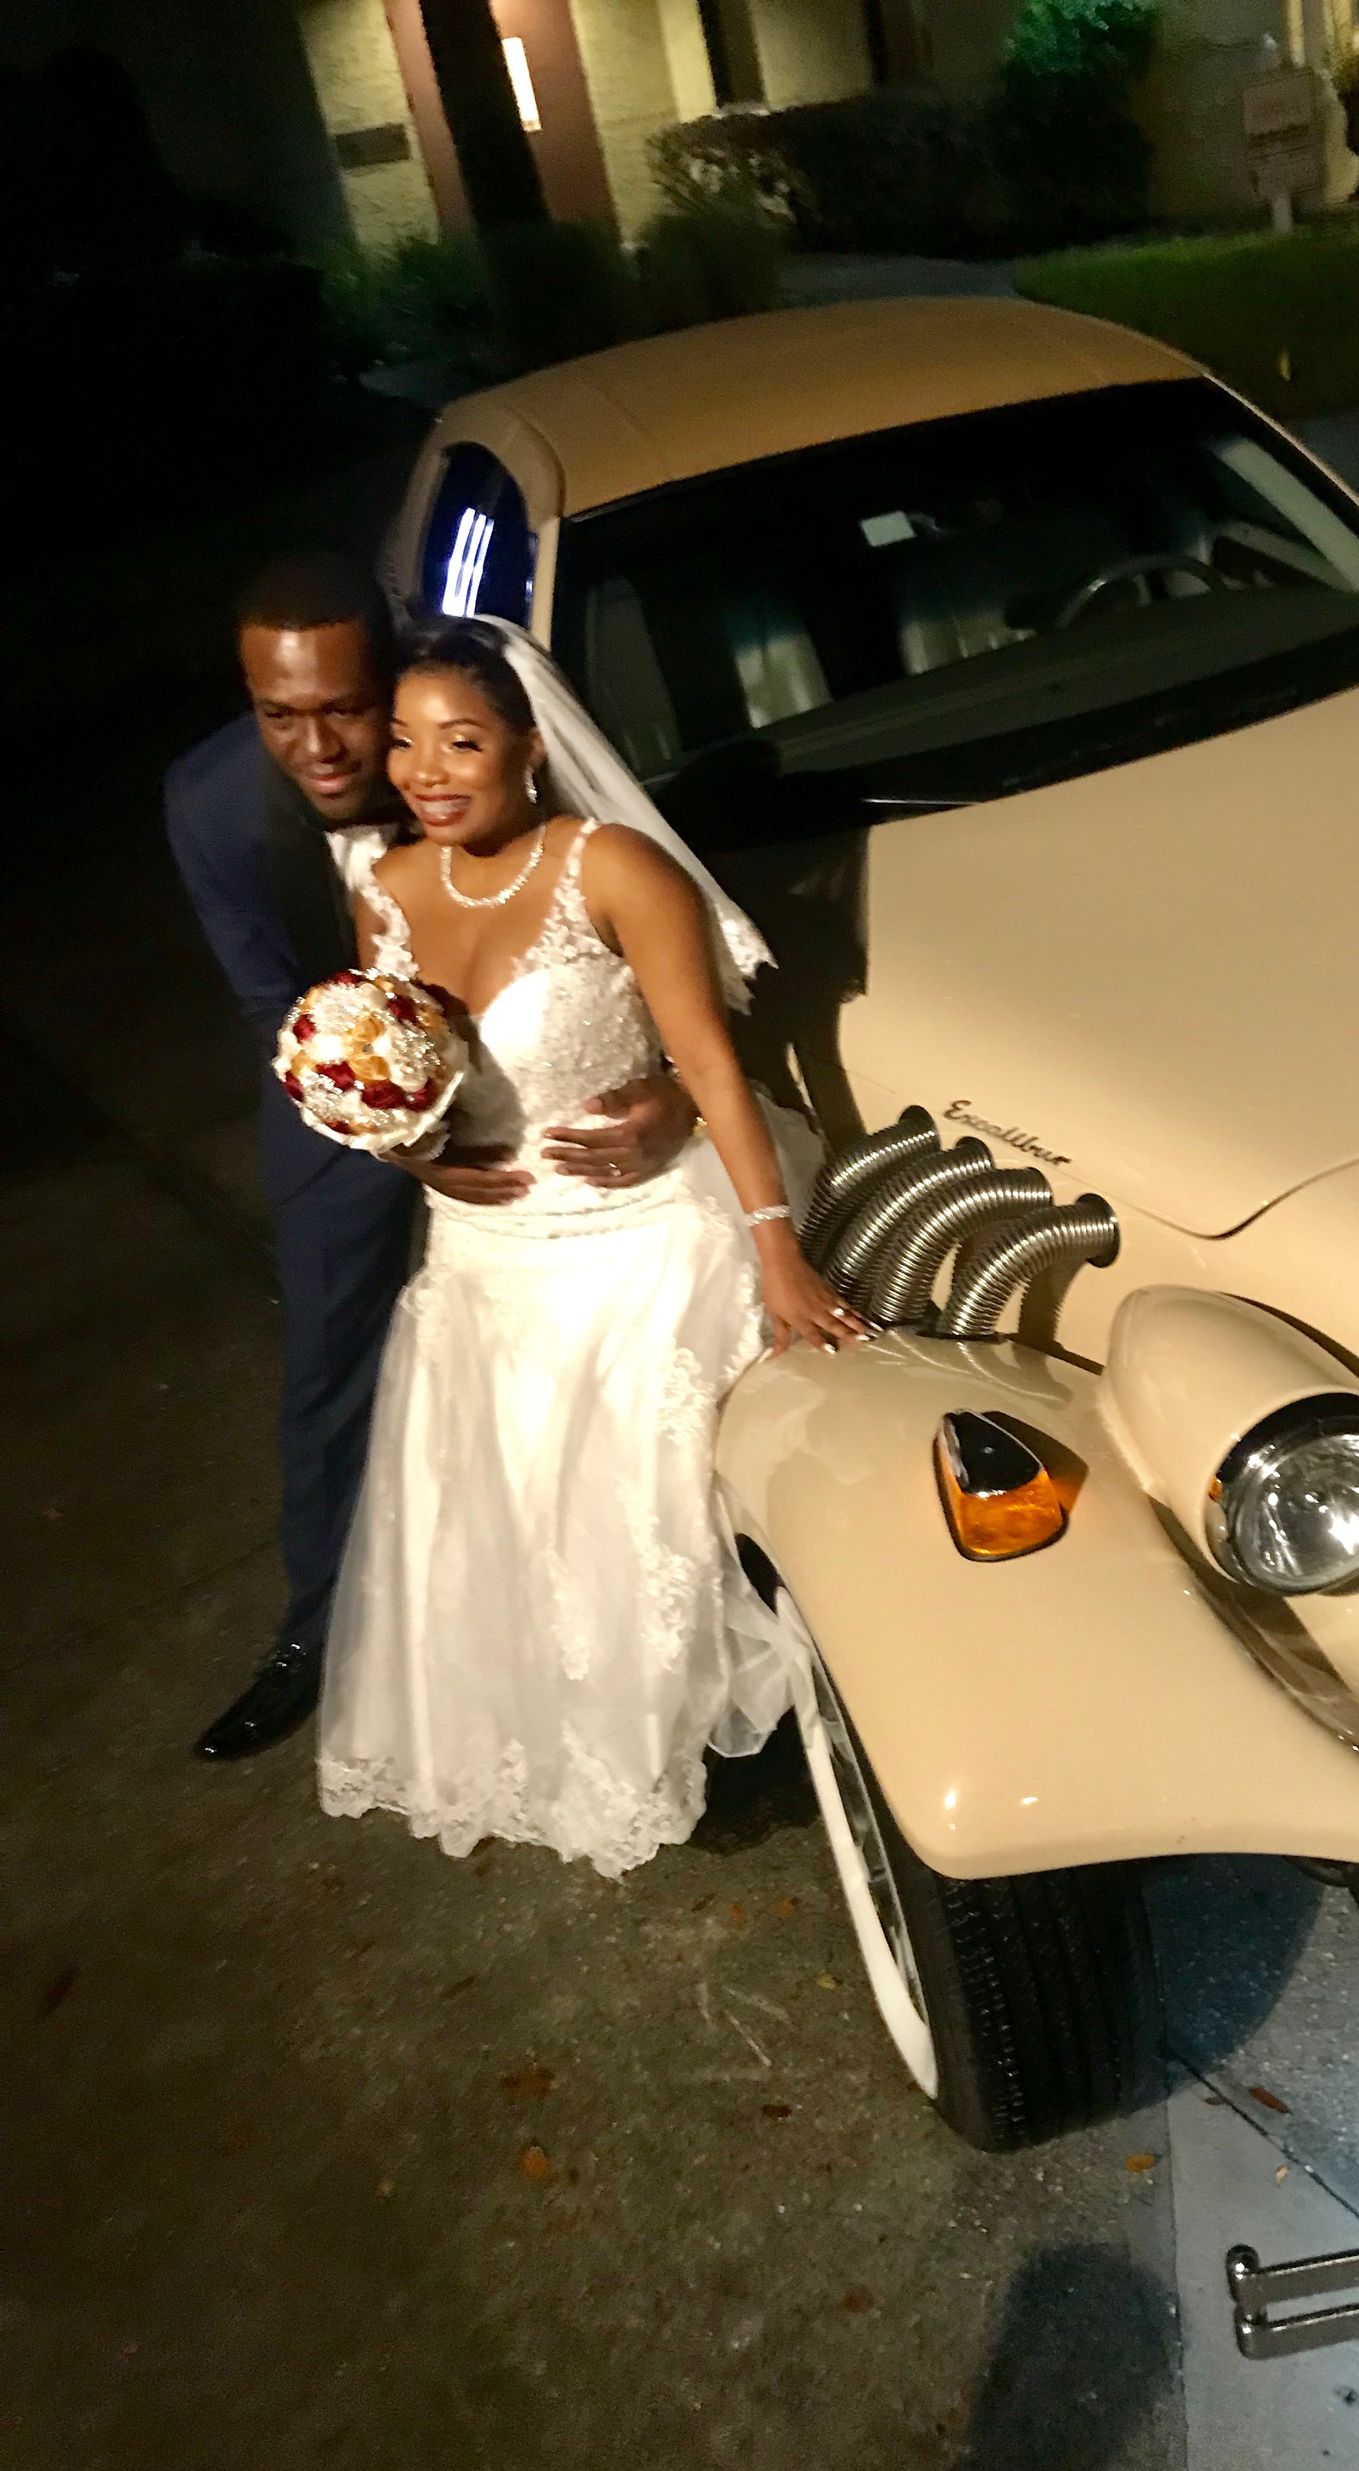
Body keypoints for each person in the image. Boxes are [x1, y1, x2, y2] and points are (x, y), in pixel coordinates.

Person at [316, 618, 862, 1876]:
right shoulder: (387, 896)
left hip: (645, 1240)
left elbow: (716, 1068)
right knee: (506, 1515)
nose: (423, 770)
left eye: (460, 739)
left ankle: (725, 1728)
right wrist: (402, 1147)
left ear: (531, 745)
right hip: (485, 1255)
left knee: (637, 1494)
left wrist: (779, 1251)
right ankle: (569, 1742)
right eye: (403, 742)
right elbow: (397, 1079)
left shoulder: (612, 868)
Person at [165, 557, 693, 1761]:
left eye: (346, 707)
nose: (324, 745)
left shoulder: (457, 733)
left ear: (389, 672)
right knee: (333, 1360)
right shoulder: (206, 805)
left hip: (544, 1061)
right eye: (278, 714)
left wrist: (666, 1087)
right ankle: (317, 1632)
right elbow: (273, 1008)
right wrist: (405, 1143)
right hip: (356, 1089)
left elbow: (625, 939)